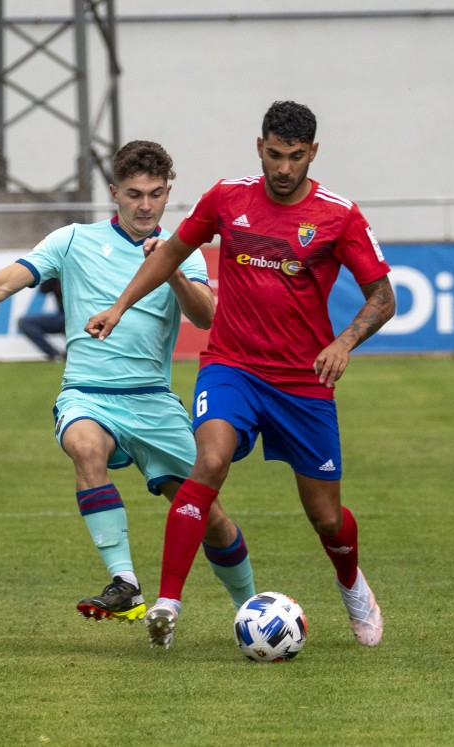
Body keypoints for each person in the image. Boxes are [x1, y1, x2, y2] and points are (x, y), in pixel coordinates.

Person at [0, 140, 256, 625]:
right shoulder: (72, 240)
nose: (145, 205)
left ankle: (251, 611)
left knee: (210, 520)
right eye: (134, 194)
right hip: (87, 395)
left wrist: (169, 268)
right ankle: (126, 583)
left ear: (168, 192)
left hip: (153, 401)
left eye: (155, 194)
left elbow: (206, 315)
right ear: (114, 192)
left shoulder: (181, 249)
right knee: (84, 446)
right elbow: (7, 279)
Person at [86, 101, 397, 650]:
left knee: (326, 518)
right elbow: (170, 254)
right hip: (232, 366)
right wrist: (120, 305)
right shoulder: (227, 198)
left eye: (295, 158)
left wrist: (344, 342)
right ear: (260, 147)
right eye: (275, 155)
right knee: (207, 461)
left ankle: (351, 583)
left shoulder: (339, 215)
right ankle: (168, 605)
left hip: (303, 383)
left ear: (313, 154)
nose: (283, 168)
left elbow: (383, 297)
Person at [17, 277, 65, 360]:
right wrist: (53, 273)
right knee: (25, 322)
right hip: (63, 317)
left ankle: (77, 353)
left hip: (83, 317)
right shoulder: (57, 274)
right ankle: (55, 354)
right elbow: (44, 289)